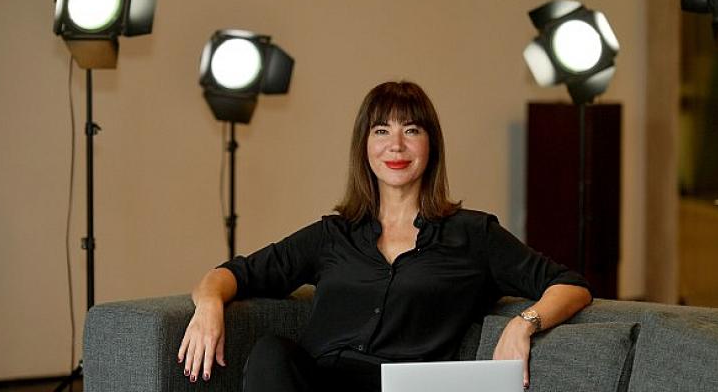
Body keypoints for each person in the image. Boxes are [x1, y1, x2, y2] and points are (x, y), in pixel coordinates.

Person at [177, 81, 592, 392]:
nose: (396, 145)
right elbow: (234, 274)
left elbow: (570, 285)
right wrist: (210, 303)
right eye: (381, 131)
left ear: (431, 146)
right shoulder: (333, 234)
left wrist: (524, 324)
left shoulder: (472, 234)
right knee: (270, 352)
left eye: (411, 130)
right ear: (364, 146)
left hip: (403, 385)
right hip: (319, 381)